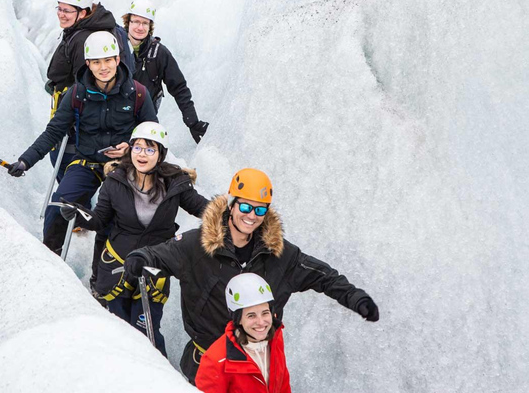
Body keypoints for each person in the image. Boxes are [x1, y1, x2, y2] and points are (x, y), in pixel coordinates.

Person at [123, 168, 379, 384]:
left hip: (257, 368)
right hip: (207, 364)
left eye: (260, 210)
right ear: (231, 205)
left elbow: (324, 277)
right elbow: (159, 254)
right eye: (245, 206)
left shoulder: (279, 253)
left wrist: (355, 298)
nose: (251, 215)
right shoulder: (197, 246)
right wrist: (140, 259)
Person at [59, 122, 209, 355]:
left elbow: (203, 208)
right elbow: (99, 219)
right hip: (118, 266)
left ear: (161, 154)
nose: (142, 154)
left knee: (147, 331)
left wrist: (232, 216)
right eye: (137, 147)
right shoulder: (115, 181)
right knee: (118, 330)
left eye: (150, 149)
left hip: (155, 268)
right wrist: (79, 215)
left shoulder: (175, 184)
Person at [9, 30, 156, 255]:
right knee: (59, 204)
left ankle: (102, 275)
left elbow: (153, 136)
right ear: (88, 63)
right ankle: (50, 259)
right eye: (96, 62)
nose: (103, 67)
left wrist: (131, 147)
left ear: (118, 59)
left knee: (116, 216)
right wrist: (25, 161)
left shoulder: (137, 94)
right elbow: (53, 132)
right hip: (87, 163)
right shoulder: (77, 94)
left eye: (108, 60)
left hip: (125, 166)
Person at [45, 0, 135, 182]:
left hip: (78, 123)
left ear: (83, 12)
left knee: (67, 167)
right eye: (59, 8)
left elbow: (86, 83)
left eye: (67, 10)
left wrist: (72, 117)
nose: (61, 14)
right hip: (84, 118)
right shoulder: (90, 28)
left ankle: (77, 209)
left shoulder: (86, 39)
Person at [115, 0, 209, 144]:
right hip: (115, 117)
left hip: (144, 120)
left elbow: (179, 88)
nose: (140, 27)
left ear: (150, 26)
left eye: (145, 23)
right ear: (128, 22)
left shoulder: (159, 53)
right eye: (136, 22)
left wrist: (193, 122)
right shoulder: (115, 47)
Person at [195, 273, 291, 393]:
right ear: (238, 319)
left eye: (265, 313)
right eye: (251, 315)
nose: (261, 322)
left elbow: (283, 384)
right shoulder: (216, 360)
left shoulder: (275, 340)